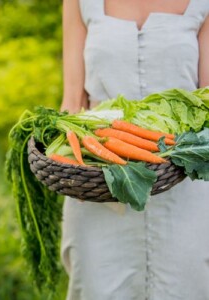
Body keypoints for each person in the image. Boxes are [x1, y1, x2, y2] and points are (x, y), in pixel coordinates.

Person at [60, 0, 209, 299]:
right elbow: (72, 102)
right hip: (100, 187)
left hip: (185, 186)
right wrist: (62, 152)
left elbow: (206, 102)